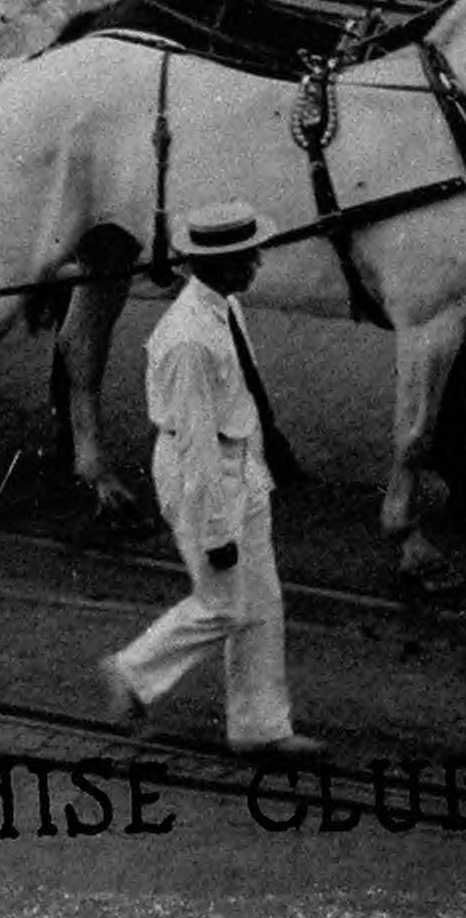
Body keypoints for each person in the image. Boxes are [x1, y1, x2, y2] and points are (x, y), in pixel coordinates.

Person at [100, 200, 319, 761]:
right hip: (203, 476)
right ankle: (132, 671)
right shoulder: (187, 340)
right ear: (214, 265)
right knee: (223, 603)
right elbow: (196, 441)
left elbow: (238, 399)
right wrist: (217, 530)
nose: (256, 265)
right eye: (246, 258)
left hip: (241, 466)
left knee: (262, 601)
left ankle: (260, 726)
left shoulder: (226, 309)